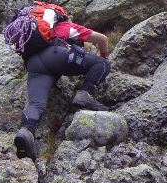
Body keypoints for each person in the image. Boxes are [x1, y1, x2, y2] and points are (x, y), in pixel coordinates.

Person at [9, 8, 111, 161]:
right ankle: (85, 94)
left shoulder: (34, 35)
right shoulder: (65, 26)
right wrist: (103, 56)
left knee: (36, 105)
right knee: (101, 65)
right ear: (62, 16)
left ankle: (26, 131)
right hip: (55, 55)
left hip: (34, 65)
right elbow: (102, 39)